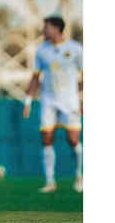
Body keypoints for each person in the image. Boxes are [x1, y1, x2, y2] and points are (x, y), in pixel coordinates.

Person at [23, 15, 83, 193]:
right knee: (47, 139)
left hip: (69, 101)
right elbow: (35, 77)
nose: (43, 30)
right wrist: (28, 101)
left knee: (73, 140)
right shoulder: (42, 51)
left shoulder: (76, 49)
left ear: (56, 28)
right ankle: (50, 181)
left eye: (46, 27)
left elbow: (84, 76)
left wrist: (84, 100)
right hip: (48, 101)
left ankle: (79, 175)